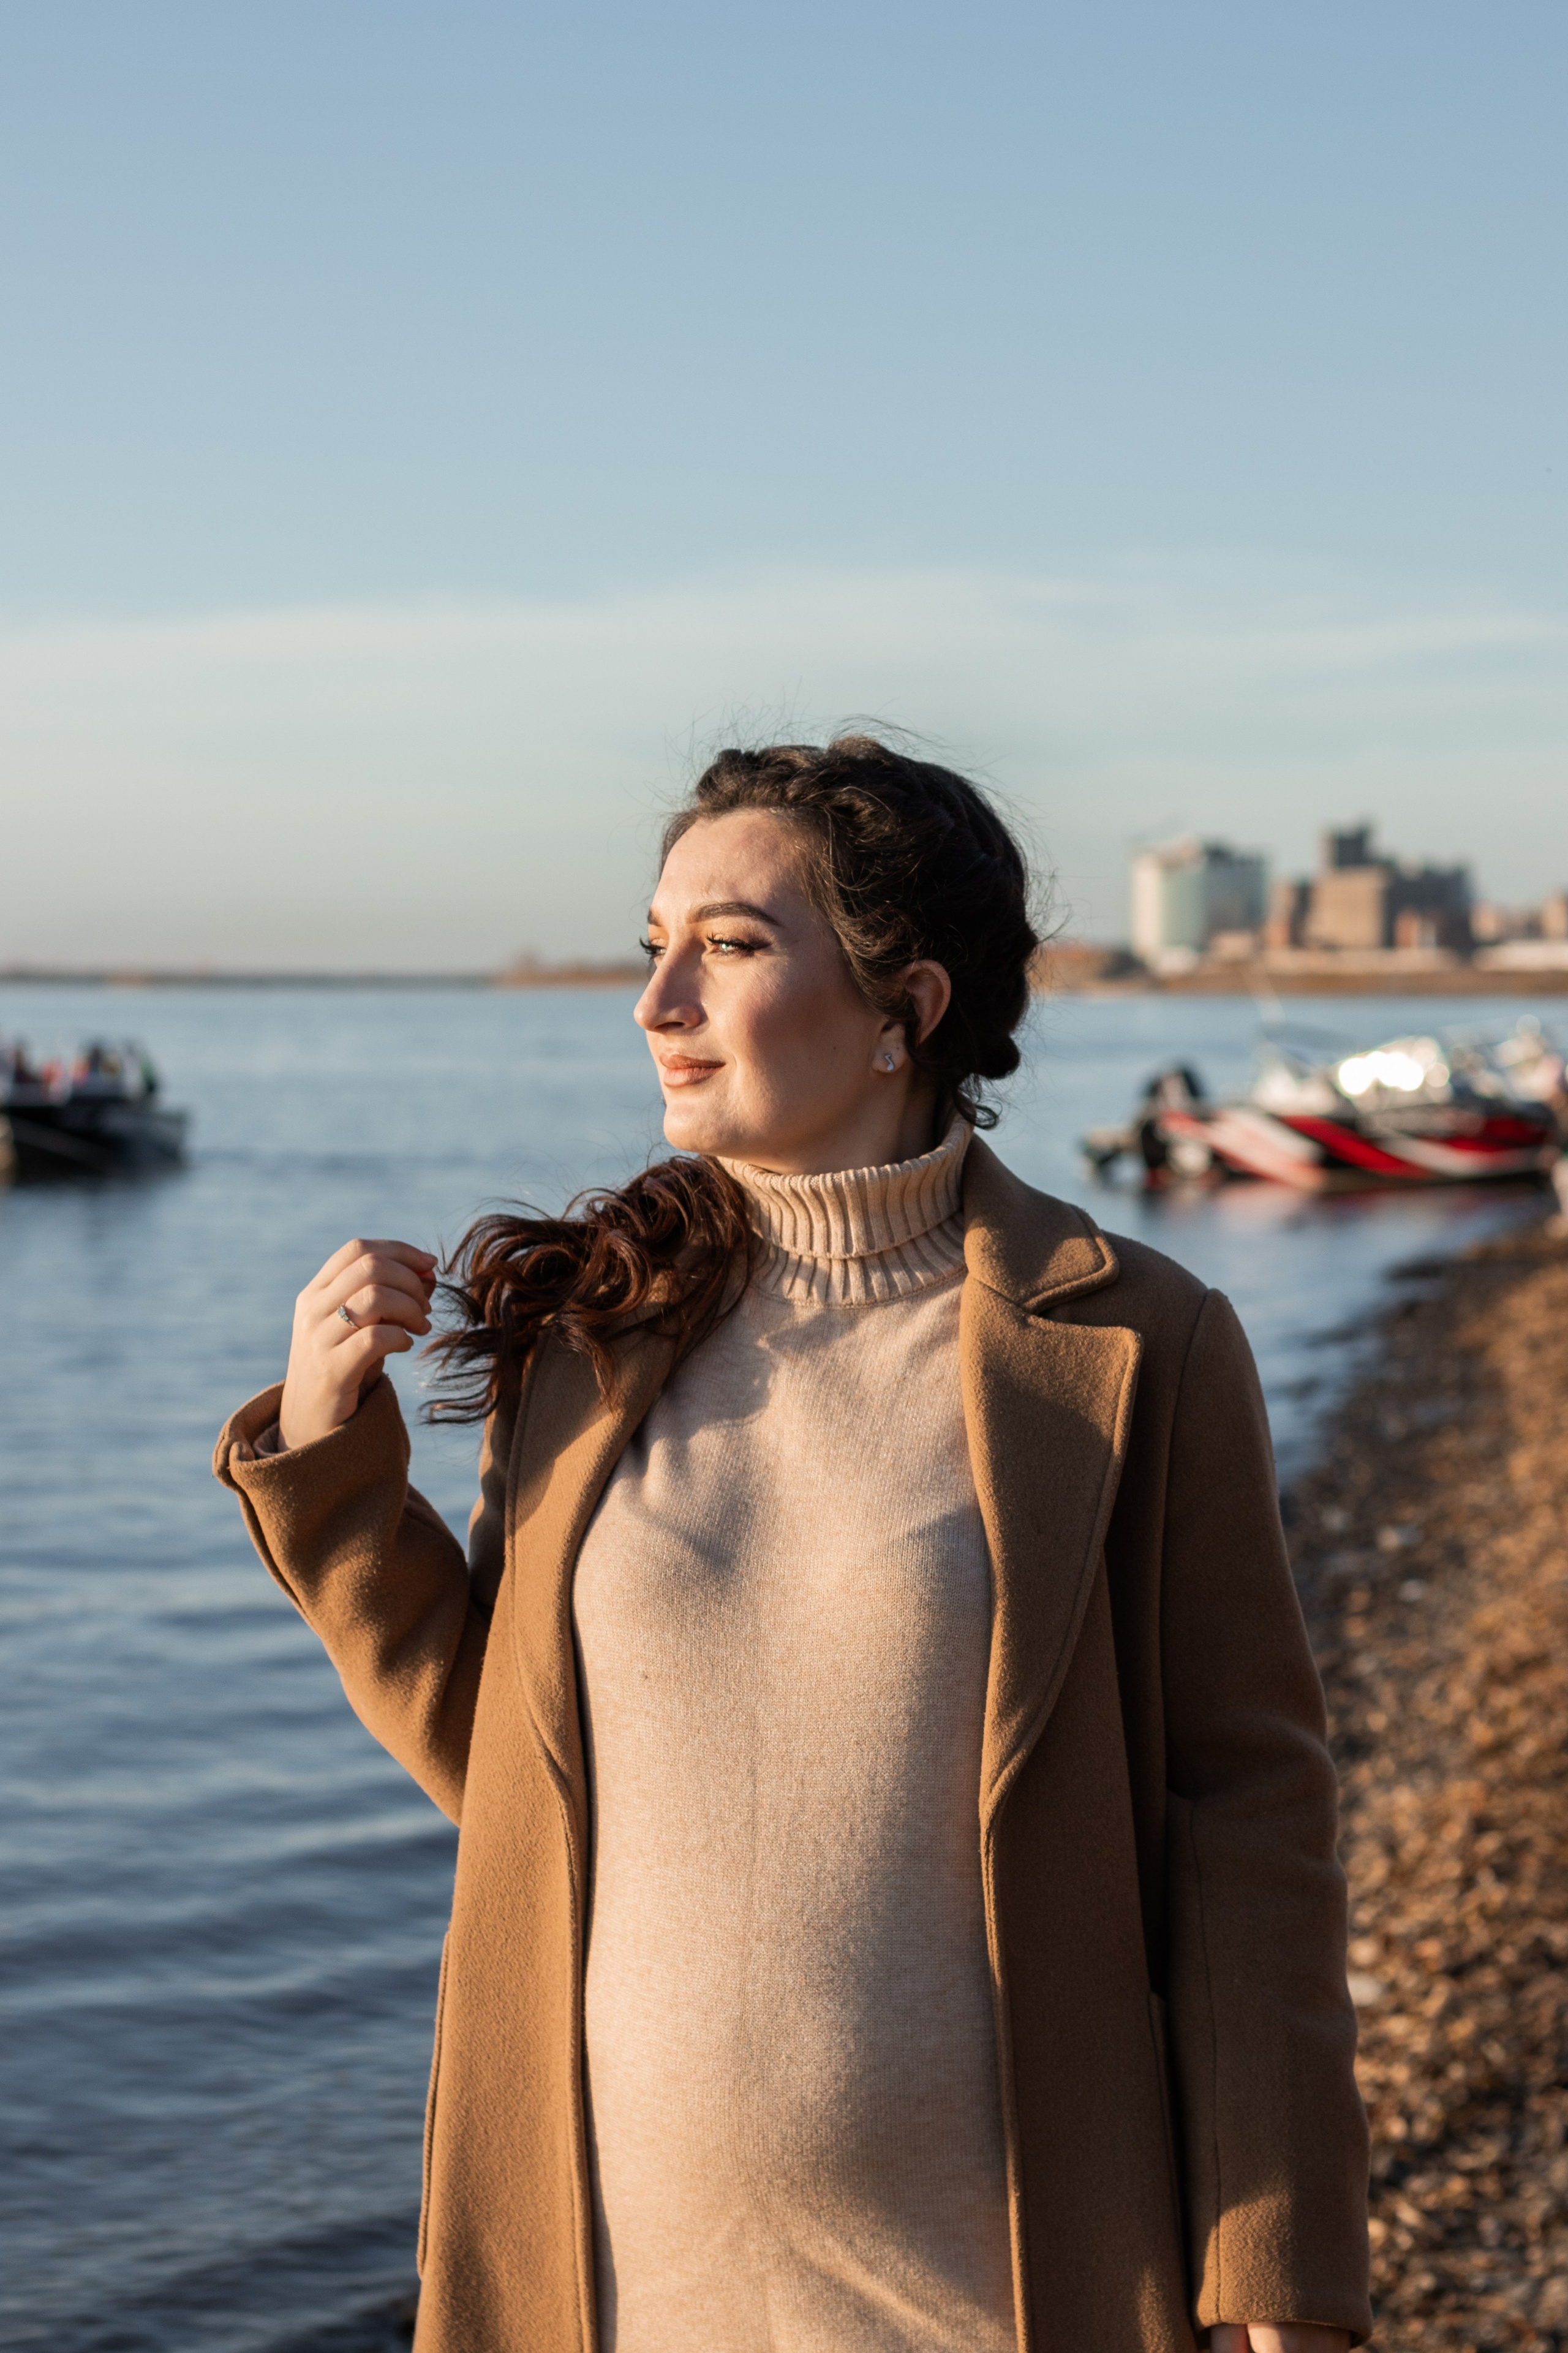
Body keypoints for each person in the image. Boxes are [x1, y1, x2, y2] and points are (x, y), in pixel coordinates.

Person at [214, 736, 1370, 2353]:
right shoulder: (588, 1336)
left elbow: (1251, 1820)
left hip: (1002, 2298)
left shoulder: (1131, 1342)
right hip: (613, 2296)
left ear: (907, 1007)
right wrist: (338, 1476)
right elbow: (518, 1777)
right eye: (653, 945)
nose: (656, 1001)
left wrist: (1284, 2280)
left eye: (732, 946)